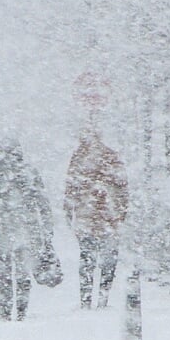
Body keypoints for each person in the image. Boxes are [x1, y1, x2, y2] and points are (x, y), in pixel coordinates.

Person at [0, 136, 55, 321]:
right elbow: (43, 203)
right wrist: (47, 228)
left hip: (6, 231)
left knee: (6, 274)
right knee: (21, 274)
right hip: (25, 230)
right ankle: (19, 312)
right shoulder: (28, 173)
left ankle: (8, 312)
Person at [63, 126, 129, 309]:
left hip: (88, 218)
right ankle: (102, 297)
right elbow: (122, 187)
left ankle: (86, 298)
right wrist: (121, 211)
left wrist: (69, 211)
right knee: (107, 260)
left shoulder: (78, 159)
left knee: (87, 259)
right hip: (109, 218)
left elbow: (71, 189)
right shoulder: (111, 157)